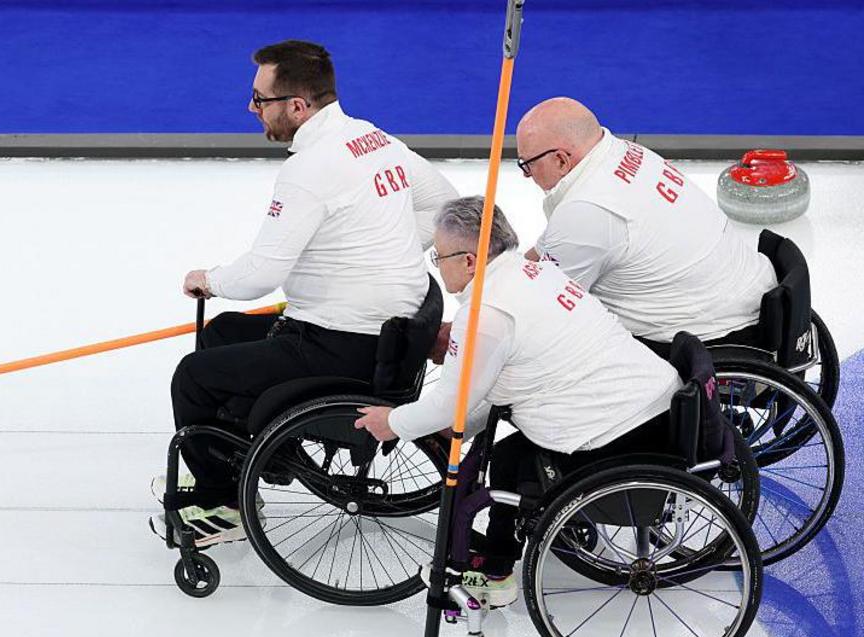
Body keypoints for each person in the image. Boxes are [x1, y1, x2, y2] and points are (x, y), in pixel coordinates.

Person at [150, 40, 459, 547]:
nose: (251, 109)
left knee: (193, 378)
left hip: (339, 342)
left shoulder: (309, 169)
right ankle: (248, 457)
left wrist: (209, 278)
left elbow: (261, 274)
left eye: (259, 99)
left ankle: (222, 502)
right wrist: (382, 248)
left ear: (297, 106)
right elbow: (444, 201)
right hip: (388, 328)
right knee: (223, 332)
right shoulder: (370, 137)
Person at [355, 196, 681, 606]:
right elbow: (490, 390)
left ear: (470, 261)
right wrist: (459, 420)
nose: (438, 265)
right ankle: (497, 567)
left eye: (439, 257)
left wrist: (394, 421)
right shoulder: (534, 273)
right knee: (507, 457)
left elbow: (449, 406)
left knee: (513, 463)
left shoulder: (486, 315)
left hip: (614, 430)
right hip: (649, 401)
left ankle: (496, 575)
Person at [515, 97, 777, 353]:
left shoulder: (586, 210)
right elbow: (545, 251)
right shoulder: (624, 153)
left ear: (561, 160)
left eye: (527, 165)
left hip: (714, 332)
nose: (526, 176)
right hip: (747, 293)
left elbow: (544, 309)